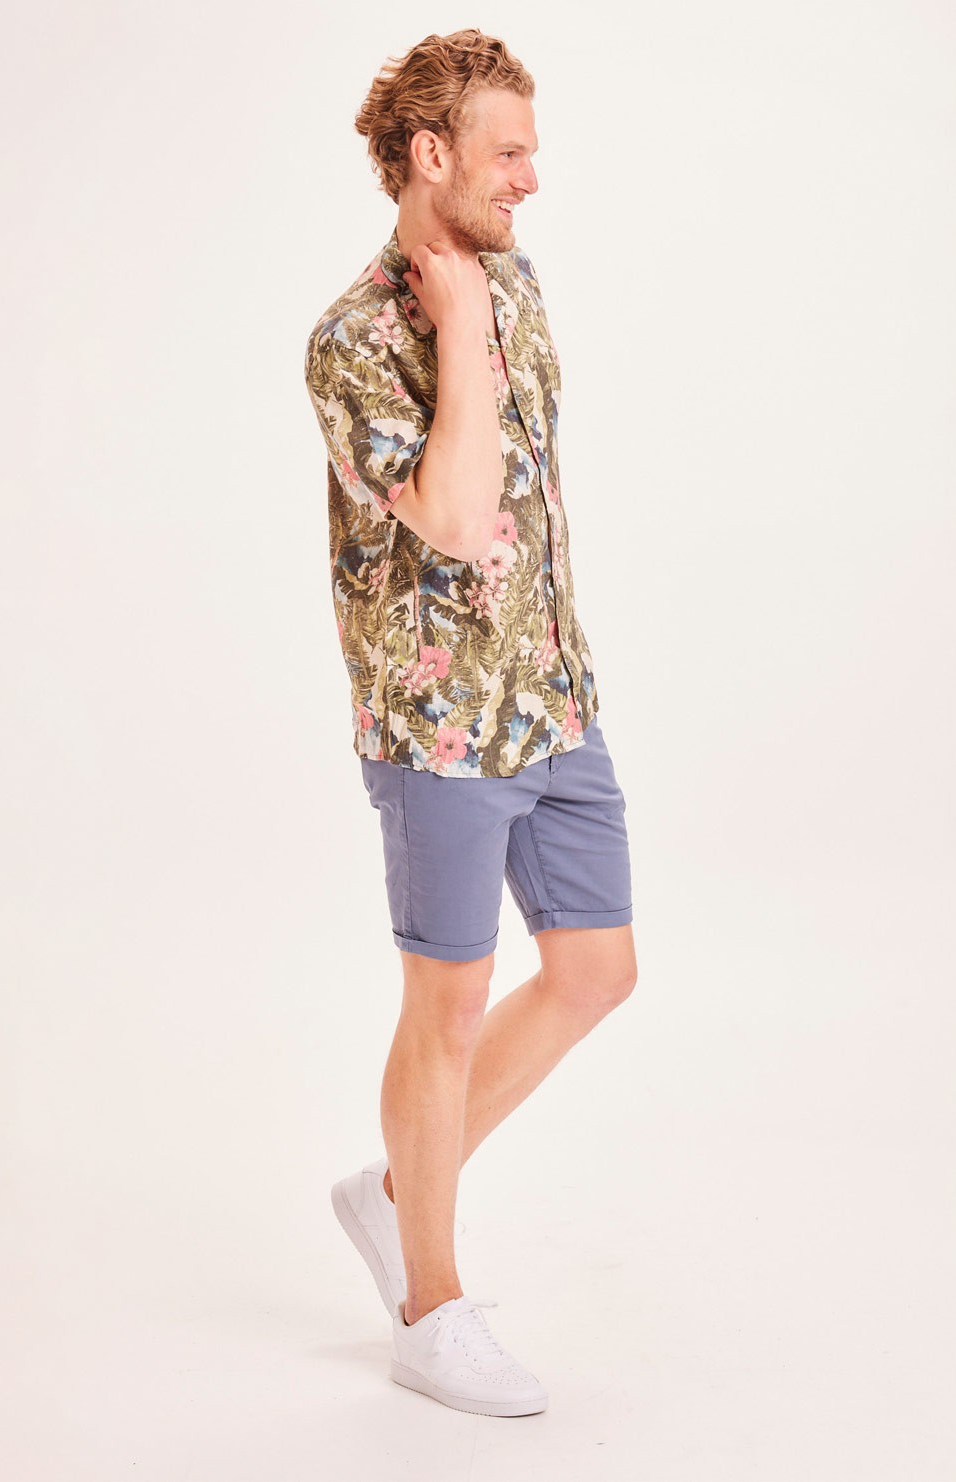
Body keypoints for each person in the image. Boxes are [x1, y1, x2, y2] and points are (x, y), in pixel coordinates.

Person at [304, 28, 638, 1418]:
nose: (531, 178)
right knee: (442, 1006)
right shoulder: (352, 341)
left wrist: (478, 312)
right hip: (437, 726)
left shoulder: (516, 281)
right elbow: (448, 517)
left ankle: (394, 1189)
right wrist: (452, 331)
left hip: (552, 697)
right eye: (508, 152)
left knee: (595, 970)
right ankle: (428, 1308)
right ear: (429, 154)